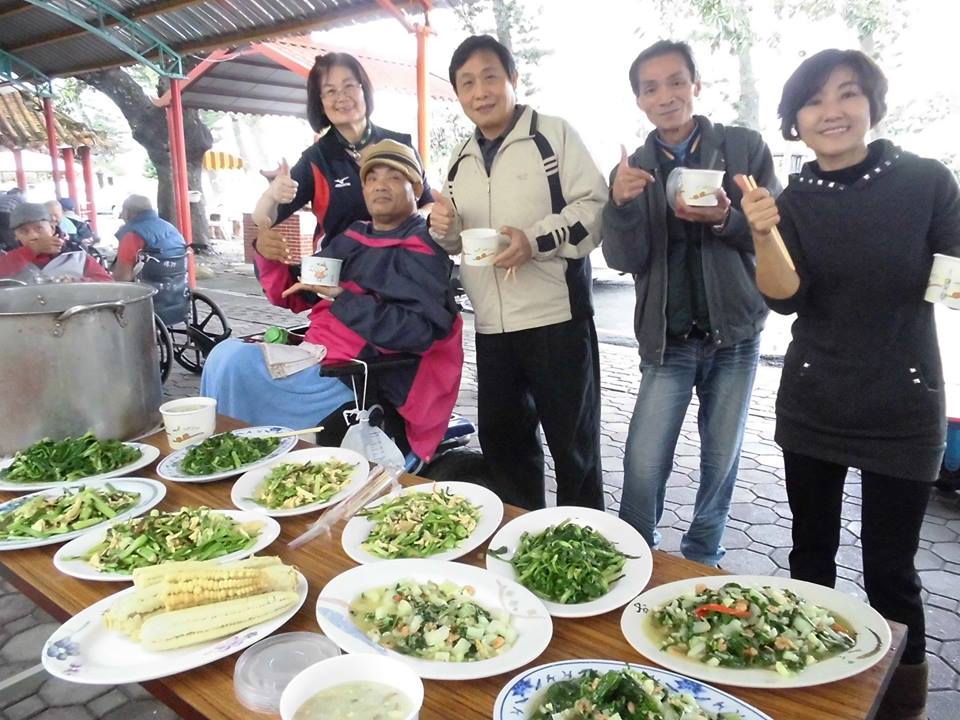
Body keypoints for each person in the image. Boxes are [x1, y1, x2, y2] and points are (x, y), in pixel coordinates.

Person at [736, 49, 960, 720]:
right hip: (816, 400)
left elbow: (951, 282)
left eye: (847, 94)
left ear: (871, 103)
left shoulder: (926, 181)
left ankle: (901, 706)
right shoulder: (793, 198)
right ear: (795, 120)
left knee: (892, 573)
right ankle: (817, 693)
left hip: (903, 401)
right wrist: (763, 233)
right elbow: (784, 298)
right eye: (813, 101)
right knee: (811, 556)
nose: (831, 111)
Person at [600, 40, 779, 567]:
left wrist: (726, 220)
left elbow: (774, 232)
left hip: (736, 336)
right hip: (668, 340)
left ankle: (702, 557)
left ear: (696, 86)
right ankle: (637, 558)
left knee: (721, 459)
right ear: (639, 100)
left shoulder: (742, 147)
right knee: (643, 462)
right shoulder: (636, 167)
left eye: (676, 81)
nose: (666, 96)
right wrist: (621, 205)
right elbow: (623, 259)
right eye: (651, 88)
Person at [429, 35, 607, 510]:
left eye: (490, 76)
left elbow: (594, 208)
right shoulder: (459, 157)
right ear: (458, 93)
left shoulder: (553, 134)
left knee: (574, 451)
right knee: (506, 449)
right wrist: (442, 229)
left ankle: (588, 549)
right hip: (492, 329)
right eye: (467, 83)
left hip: (556, 321)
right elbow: (456, 242)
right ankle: (522, 542)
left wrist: (536, 241)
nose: (480, 91)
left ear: (513, 79)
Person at [202, 140, 463, 461]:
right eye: (371, 178)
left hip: (353, 377)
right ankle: (231, 457)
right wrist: (268, 254)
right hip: (318, 356)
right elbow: (297, 292)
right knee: (224, 355)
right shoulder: (353, 237)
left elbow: (416, 333)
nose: (380, 185)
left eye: (394, 177)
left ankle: (235, 459)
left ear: (416, 187)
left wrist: (344, 298)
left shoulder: (422, 248)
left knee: (231, 362)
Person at [252, 52, 433, 276]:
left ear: (363, 89)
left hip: (400, 271)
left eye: (349, 86)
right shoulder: (316, 159)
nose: (342, 97)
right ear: (321, 102)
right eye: (330, 91)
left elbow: (428, 204)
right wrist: (272, 195)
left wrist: (411, 227)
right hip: (340, 282)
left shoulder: (400, 145)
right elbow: (264, 218)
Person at [112, 195, 189, 325]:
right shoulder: (170, 228)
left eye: (123, 212)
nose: (121, 216)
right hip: (178, 297)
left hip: (147, 300)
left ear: (129, 213)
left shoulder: (133, 235)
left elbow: (122, 278)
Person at [0, 202, 112, 282]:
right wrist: (31, 250)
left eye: (39, 228)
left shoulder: (77, 254)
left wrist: (81, 282)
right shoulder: (6, 256)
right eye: (24, 231)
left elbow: (108, 286)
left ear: (52, 228)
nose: (33, 236)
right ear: (16, 237)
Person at [0, 187, 24, 252]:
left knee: (3, 232)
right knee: (10, 233)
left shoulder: (2, 196)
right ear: (19, 193)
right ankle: (17, 250)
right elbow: (26, 208)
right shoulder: (18, 197)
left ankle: (5, 248)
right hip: (6, 215)